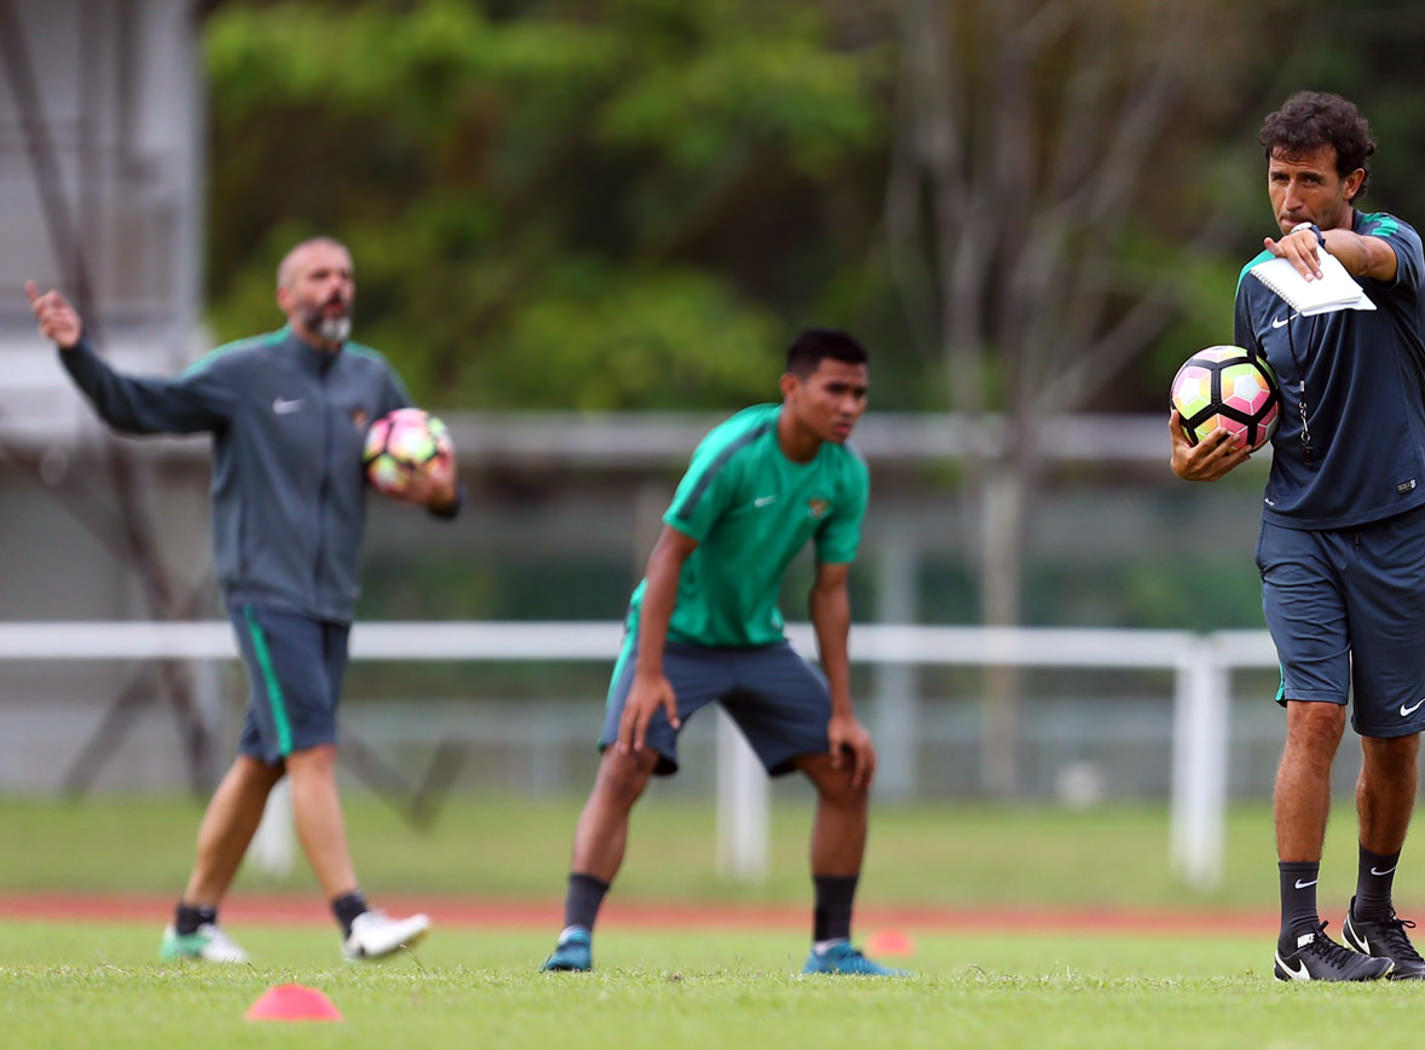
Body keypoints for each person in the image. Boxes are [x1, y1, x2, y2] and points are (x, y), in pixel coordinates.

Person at [26, 237, 461, 963]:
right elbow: (138, 408)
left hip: (332, 600)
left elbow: (436, 477)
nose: (336, 288)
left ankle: (192, 925)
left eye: (345, 276)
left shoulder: (371, 379)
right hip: (266, 591)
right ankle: (356, 920)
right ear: (285, 296)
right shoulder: (246, 372)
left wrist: (441, 492)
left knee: (264, 758)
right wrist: (79, 353)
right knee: (312, 749)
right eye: (319, 276)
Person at [1170, 91, 1425, 981]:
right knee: (1314, 715)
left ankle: (1373, 912)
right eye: (1278, 179)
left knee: (1393, 740)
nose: (1288, 199)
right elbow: (1253, 408)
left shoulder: (1390, 251)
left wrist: (1327, 246)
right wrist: (1192, 454)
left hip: (1402, 526)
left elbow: (1369, 254)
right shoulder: (1256, 286)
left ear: (1352, 182)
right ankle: (1298, 937)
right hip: (1299, 532)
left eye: (1310, 182)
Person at [539, 329, 901, 977]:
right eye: (835, 389)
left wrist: (843, 710)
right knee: (626, 765)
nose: (849, 405)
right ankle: (573, 941)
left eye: (860, 393)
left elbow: (831, 592)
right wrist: (649, 673)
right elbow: (666, 558)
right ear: (791, 389)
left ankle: (831, 950)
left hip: (757, 644)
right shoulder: (734, 452)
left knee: (847, 774)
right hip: (674, 640)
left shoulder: (845, 474)